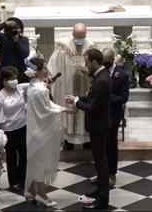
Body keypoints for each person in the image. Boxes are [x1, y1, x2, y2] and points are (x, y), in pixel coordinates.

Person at [24, 57, 75, 207]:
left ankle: (31, 191)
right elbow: (47, 110)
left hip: (34, 130)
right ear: (37, 71)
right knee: (40, 163)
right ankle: (42, 195)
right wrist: (64, 109)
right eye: (45, 68)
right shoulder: (40, 90)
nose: (48, 71)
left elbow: (46, 104)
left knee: (35, 162)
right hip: (42, 132)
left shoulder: (33, 85)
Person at [66, 48, 112, 210]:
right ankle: (99, 191)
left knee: (101, 163)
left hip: (98, 126)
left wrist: (77, 103)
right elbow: (92, 98)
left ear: (94, 62)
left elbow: (93, 107)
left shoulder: (102, 80)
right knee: (99, 162)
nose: (85, 65)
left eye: (87, 62)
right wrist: (77, 98)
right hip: (98, 125)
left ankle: (102, 200)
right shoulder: (100, 76)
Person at [48, 22, 97, 147]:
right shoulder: (63, 47)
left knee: (85, 111)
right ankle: (68, 141)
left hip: (85, 86)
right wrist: (52, 77)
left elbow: (97, 67)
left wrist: (87, 70)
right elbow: (53, 64)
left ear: (86, 34)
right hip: (67, 86)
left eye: (82, 36)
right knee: (68, 110)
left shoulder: (92, 47)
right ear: (72, 33)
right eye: (77, 36)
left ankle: (86, 140)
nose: (79, 39)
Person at [0, 66, 28, 191]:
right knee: (12, 157)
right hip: (9, 131)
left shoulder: (20, 89)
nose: (15, 81)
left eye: (16, 78)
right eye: (12, 79)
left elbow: (34, 85)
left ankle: (23, 180)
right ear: (4, 81)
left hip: (23, 127)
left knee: (24, 154)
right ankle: (13, 181)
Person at [102, 48, 129, 186]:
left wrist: (108, 97)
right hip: (100, 114)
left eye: (106, 63)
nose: (104, 65)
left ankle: (112, 173)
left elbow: (123, 98)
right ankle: (102, 173)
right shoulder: (100, 72)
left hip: (113, 114)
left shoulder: (122, 75)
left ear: (112, 60)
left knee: (111, 144)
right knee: (101, 145)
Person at [0, 17, 30, 82]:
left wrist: (16, 41)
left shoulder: (23, 39)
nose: (15, 30)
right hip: (5, 70)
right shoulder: (3, 37)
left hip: (19, 70)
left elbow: (25, 54)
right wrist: (5, 23)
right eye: (13, 28)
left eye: (17, 27)